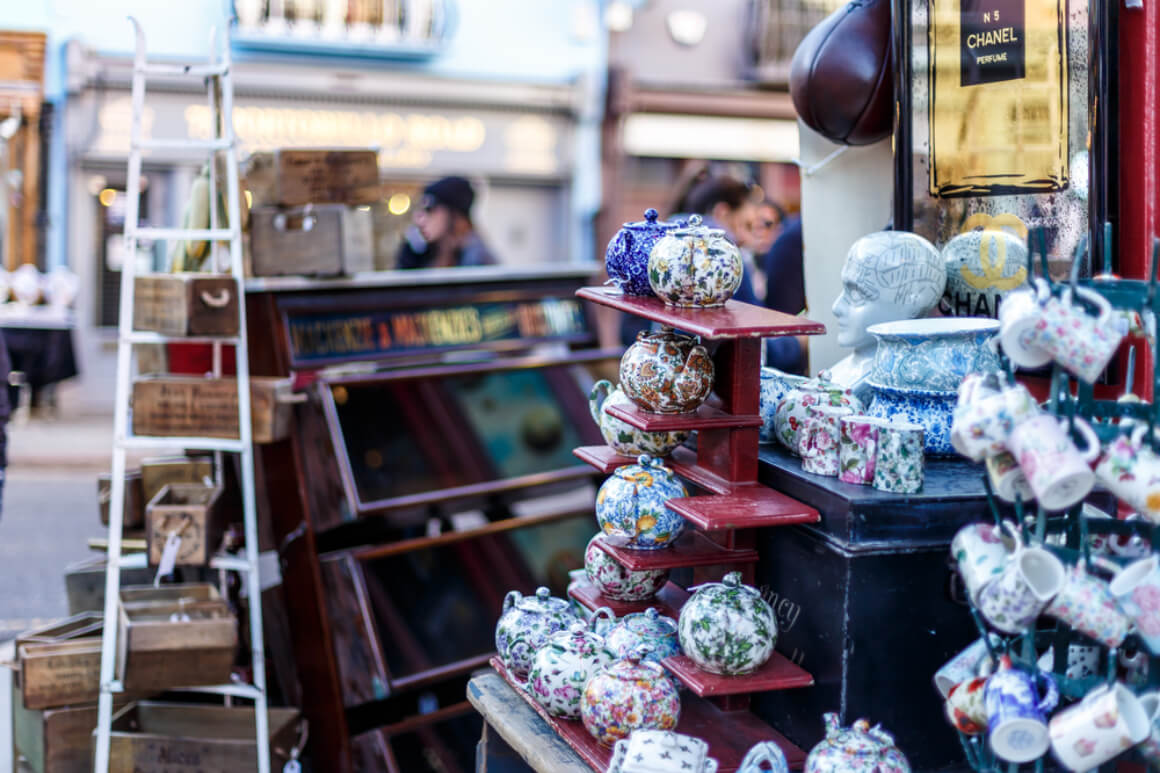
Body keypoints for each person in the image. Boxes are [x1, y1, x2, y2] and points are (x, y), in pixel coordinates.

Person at [828, 230, 946, 402]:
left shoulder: (884, 385)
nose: (836, 307)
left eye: (857, 294)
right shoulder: (846, 372)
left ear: (912, 303)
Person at [396, 176, 498, 269]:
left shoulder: (478, 260)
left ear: (455, 215)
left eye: (429, 209)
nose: (419, 219)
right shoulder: (422, 253)